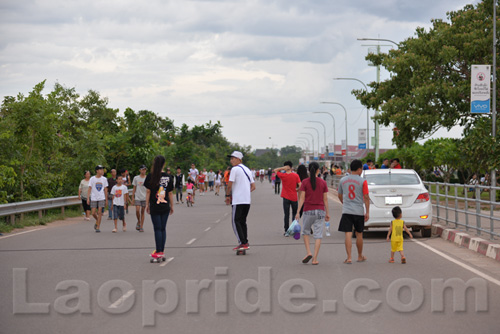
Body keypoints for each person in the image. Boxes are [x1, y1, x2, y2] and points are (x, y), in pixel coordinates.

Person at [295, 162, 330, 265]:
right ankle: (315, 259)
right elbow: (325, 199)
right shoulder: (323, 183)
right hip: (320, 211)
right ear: (318, 170)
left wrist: (298, 212)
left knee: (305, 232)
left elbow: (302, 198)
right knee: (318, 234)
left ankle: (309, 252)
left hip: (307, 210)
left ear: (308, 171)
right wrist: (327, 213)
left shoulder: (305, 182)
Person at [337, 159, 370, 264]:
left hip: (347, 211)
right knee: (359, 233)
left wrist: (343, 202)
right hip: (358, 211)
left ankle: (349, 257)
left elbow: (339, 194)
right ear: (360, 169)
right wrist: (367, 212)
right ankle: (360, 256)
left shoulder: (343, 180)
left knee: (348, 233)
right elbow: (366, 197)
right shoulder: (363, 181)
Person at [145, 155, 174, 261]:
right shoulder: (168, 177)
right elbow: (170, 193)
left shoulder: (151, 176)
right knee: (163, 228)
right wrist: (172, 206)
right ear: (164, 164)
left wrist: (147, 205)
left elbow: (148, 191)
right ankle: (161, 251)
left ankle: (158, 251)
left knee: (157, 229)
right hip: (165, 205)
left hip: (154, 205)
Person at [225, 151, 256, 250]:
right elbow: (253, 186)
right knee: (242, 221)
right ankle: (245, 241)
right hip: (247, 200)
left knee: (235, 221)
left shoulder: (235, 169)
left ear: (238, 159)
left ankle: (242, 242)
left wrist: (227, 195)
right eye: (230, 159)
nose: (231, 160)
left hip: (238, 200)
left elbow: (230, 184)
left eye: (233, 158)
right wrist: (245, 191)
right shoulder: (247, 169)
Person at [273, 161, 301, 236]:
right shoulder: (296, 175)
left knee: (286, 214)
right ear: (291, 167)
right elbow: (300, 185)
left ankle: (286, 230)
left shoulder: (283, 175)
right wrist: (297, 189)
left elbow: (275, 170)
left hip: (285, 197)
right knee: (294, 214)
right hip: (294, 197)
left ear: (286, 167)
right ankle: (294, 230)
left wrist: (283, 168)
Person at [87, 165, 108, 233]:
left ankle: (98, 226)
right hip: (94, 197)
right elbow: (89, 188)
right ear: (97, 171)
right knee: (93, 213)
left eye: (102, 169)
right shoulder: (92, 178)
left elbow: (105, 189)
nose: (102, 171)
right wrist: (88, 198)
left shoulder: (104, 179)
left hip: (101, 197)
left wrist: (106, 199)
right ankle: (97, 220)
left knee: (99, 212)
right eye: (100, 169)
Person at [132, 165, 148, 232]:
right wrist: (133, 196)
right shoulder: (136, 178)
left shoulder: (147, 178)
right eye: (142, 169)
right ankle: (138, 221)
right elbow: (134, 187)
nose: (144, 171)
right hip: (137, 196)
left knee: (143, 211)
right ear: (140, 170)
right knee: (137, 210)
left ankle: (141, 226)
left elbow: (148, 188)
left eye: (145, 169)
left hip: (144, 197)